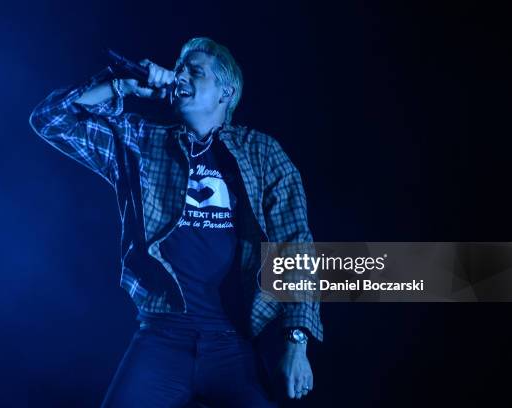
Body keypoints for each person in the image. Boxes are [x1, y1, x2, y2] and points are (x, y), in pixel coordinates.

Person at [29, 37, 323, 407]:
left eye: (195, 71)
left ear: (225, 92)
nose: (180, 75)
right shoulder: (143, 142)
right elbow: (51, 119)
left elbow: (295, 245)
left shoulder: (262, 152)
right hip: (161, 337)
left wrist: (296, 344)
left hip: (234, 343)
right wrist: (122, 84)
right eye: (179, 67)